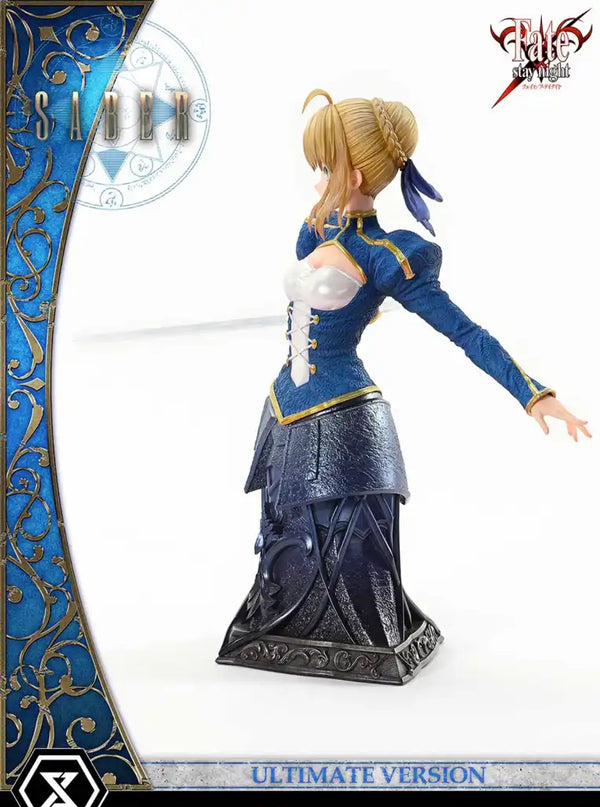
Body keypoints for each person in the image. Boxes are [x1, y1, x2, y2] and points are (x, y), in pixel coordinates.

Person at [215, 89, 591, 685]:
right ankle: (287, 629)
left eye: (324, 166)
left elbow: (465, 332)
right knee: (288, 540)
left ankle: (360, 641)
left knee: (346, 549)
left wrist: (533, 393)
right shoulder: (316, 233)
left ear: (354, 174)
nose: (315, 180)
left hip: (343, 421)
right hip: (284, 412)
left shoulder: (390, 256)